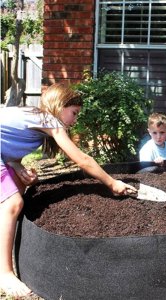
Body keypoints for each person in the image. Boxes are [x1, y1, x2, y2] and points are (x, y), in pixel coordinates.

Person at [0, 83, 137, 297]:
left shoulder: (35, 117)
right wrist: (112, 183)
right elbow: (82, 160)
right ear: (60, 105)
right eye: (74, 113)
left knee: (16, 189)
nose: (75, 120)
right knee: (13, 203)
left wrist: (17, 166)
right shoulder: (50, 121)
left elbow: (7, 140)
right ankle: (5, 273)